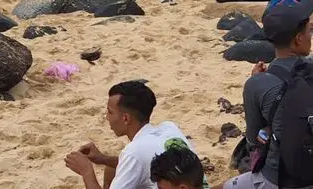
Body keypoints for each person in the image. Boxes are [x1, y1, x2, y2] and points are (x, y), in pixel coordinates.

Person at [214, 0, 313, 189]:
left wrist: (255, 82)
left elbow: (254, 140)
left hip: (280, 180)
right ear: (298, 39)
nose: (310, 36)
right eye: (309, 32)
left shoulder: (257, 83)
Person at [64, 81, 208, 189]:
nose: (107, 117)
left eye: (110, 112)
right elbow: (144, 162)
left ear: (126, 118)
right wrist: (103, 159)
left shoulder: (133, 151)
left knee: (117, 169)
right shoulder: (169, 127)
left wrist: (87, 172)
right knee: (112, 168)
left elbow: (136, 158)